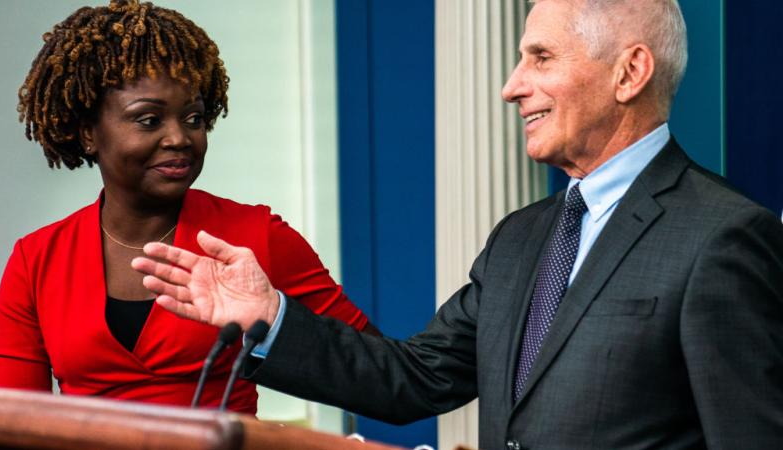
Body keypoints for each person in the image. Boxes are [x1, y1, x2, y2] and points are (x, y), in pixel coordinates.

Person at [133, 0, 783, 447]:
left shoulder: (725, 238)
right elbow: (412, 378)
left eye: (540, 57)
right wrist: (267, 318)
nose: (511, 85)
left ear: (629, 72)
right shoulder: (520, 238)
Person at [0, 0, 378, 415]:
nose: (179, 138)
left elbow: (377, 373)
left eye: (193, 118)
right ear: (88, 133)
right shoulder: (36, 260)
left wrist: (276, 325)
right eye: (149, 120)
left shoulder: (254, 235)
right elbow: (15, 424)